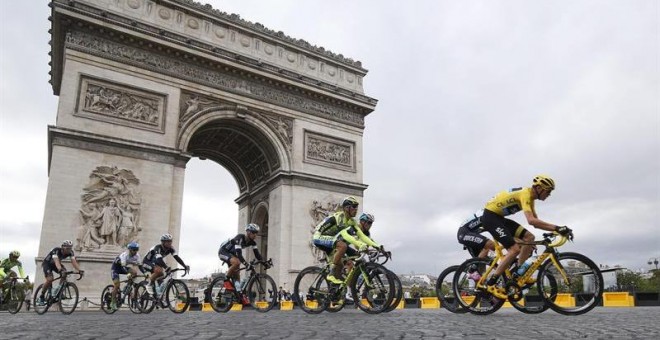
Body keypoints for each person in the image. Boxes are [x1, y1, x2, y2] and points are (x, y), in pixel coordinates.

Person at [480, 175, 572, 296]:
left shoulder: (531, 199)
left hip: (499, 218)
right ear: (539, 188)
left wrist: (556, 230)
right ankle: (491, 282)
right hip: (490, 218)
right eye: (548, 191)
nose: (549, 195)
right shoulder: (525, 194)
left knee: (530, 237)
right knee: (514, 249)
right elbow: (531, 221)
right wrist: (557, 227)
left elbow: (536, 222)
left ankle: (519, 272)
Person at [312, 196, 382, 284]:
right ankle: (330, 273)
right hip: (319, 237)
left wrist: (377, 246)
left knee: (340, 266)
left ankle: (339, 292)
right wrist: (360, 245)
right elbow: (345, 236)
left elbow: (363, 236)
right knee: (342, 245)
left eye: (356, 207)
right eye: (354, 207)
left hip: (331, 241)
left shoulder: (352, 221)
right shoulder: (339, 218)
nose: (356, 209)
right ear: (346, 208)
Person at [217, 223, 266, 304]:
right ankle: (226, 281)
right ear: (248, 232)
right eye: (254, 232)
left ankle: (238, 294)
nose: (255, 235)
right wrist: (246, 264)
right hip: (223, 251)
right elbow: (239, 255)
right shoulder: (239, 238)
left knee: (237, 274)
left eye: (256, 233)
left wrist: (264, 262)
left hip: (232, 254)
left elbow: (257, 255)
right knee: (237, 262)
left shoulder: (252, 242)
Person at [142, 234, 189, 298]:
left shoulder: (171, 248)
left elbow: (177, 257)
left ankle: (158, 297)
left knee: (161, 278)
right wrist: (166, 267)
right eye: (168, 241)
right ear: (163, 242)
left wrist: (184, 266)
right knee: (159, 271)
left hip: (156, 263)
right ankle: (149, 284)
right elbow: (159, 259)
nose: (170, 243)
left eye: (170, 241)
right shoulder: (157, 248)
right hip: (147, 262)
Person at [37, 240, 84, 305]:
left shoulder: (71, 252)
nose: (68, 249)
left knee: (65, 274)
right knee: (50, 279)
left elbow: (74, 262)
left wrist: (79, 270)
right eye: (67, 248)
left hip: (56, 264)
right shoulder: (56, 250)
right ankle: (41, 296)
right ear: (62, 247)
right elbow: (56, 261)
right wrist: (60, 269)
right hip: (47, 264)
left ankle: (58, 292)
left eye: (70, 248)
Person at [109, 242, 146, 310]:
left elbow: (140, 266)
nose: (135, 251)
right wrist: (127, 274)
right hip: (116, 269)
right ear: (130, 250)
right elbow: (123, 267)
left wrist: (145, 273)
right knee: (117, 285)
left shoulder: (137, 256)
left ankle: (128, 286)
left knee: (134, 272)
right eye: (134, 250)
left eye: (136, 250)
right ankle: (113, 302)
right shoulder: (124, 255)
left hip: (124, 268)